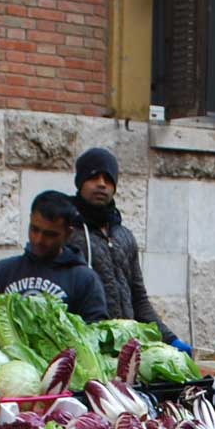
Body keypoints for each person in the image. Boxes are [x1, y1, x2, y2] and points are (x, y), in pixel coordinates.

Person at [68, 147, 190, 351]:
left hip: (128, 349)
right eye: (93, 178)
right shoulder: (69, 234)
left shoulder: (124, 236)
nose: (101, 184)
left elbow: (139, 299)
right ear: (80, 183)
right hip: (89, 350)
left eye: (107, 179)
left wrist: (170, 339)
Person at [0, 191, 108, 324]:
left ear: (68, 234)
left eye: (50, 234)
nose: (38, 240)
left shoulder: (85, 280)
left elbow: (95, 332)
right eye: (34, 229)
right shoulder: (3, 271)